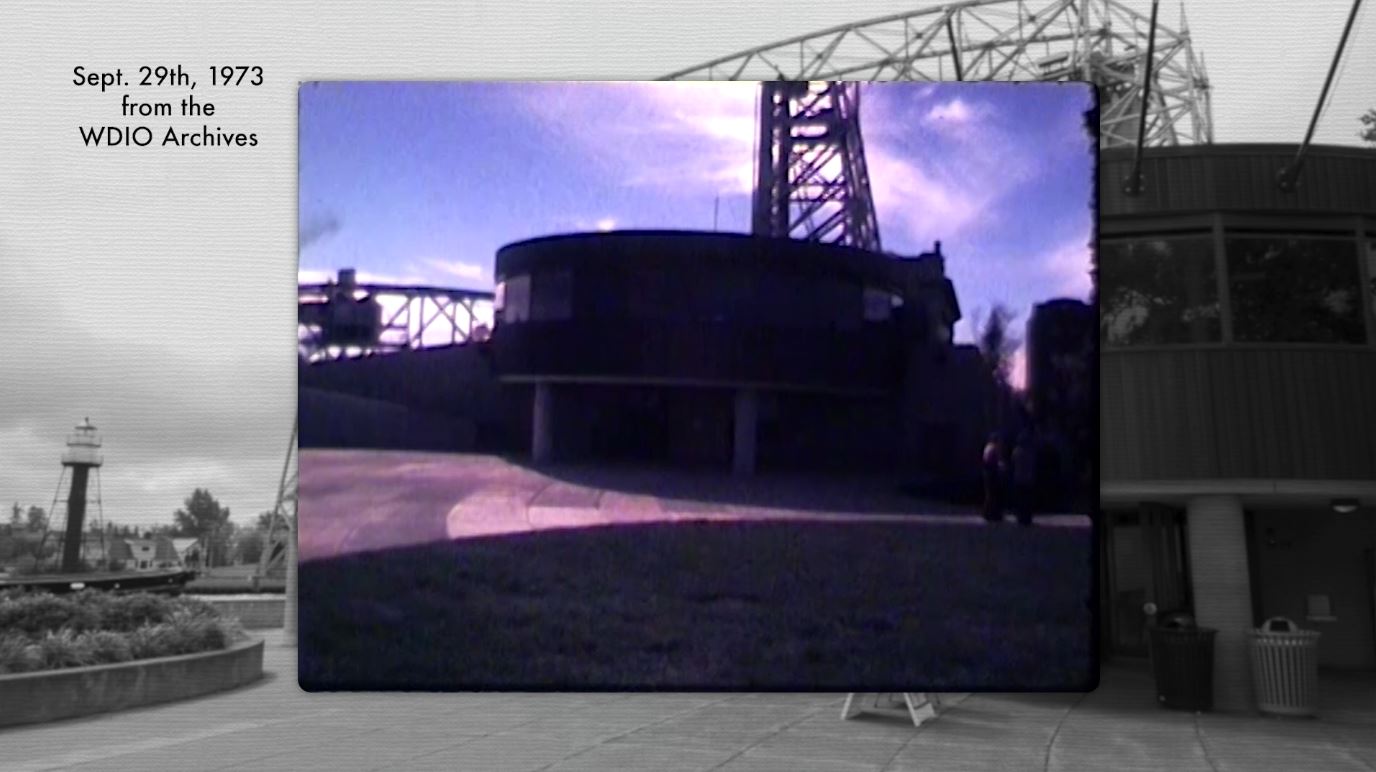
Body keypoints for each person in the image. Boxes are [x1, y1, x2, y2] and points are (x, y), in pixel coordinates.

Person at [1011, 431, 1036, 526]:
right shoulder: (1030, 452)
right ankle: (1027, 517)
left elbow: (1013, 463)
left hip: (1018, 478)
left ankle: (1021, 517)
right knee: (1027, 499)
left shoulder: (1017, 451)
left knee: (1020, 500)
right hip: (1028, 479)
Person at [981, 433, 1005, 523]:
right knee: (993, 494)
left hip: (988, 473)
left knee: (990, 494)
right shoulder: (993, 448)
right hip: (991, 474)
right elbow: (992, 461)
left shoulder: (988, 447)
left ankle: (989, 513)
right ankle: (992, 514)